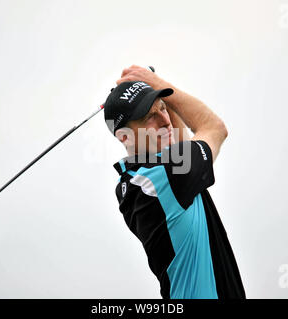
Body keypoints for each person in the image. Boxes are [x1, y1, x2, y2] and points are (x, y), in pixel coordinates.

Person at [103, 65, 246, 299]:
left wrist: (157, 93)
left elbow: (177, 144)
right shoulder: (165, 175)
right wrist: (158, 83)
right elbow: (214, 128)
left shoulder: (136, 178)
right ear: (125, 137)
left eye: (163, 109)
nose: (165, 121)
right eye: (150, 116)